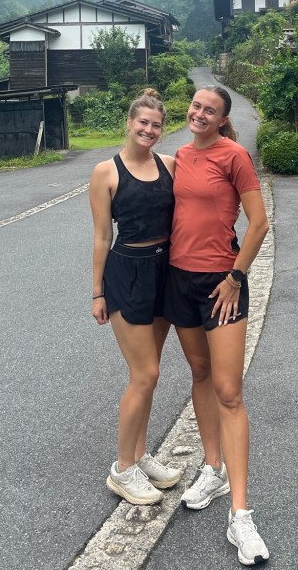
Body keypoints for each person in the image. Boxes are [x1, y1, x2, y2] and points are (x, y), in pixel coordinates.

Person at [165, 85, 270, 565]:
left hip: (221, 283)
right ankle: (213, 469)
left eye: (210, 110)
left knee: (229, 391)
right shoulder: (181, 157)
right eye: (196, 105)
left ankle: (241, 515)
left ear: (224, 118)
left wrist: (235, 277)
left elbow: (258, 223)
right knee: (200, 374)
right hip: (179, 280)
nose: (200, 113)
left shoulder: (234, 156)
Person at [90, 89, 182, 505]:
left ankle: (140, 455)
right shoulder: (105, 172)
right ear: (129, 123)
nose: (149, 130)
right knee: (144, 374)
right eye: (142, 122)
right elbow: (101, 236)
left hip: (164, 271)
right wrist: (97, 292)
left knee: (152, 373)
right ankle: (123, 468)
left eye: (156, 125)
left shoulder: (169, 165)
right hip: (127, 274)